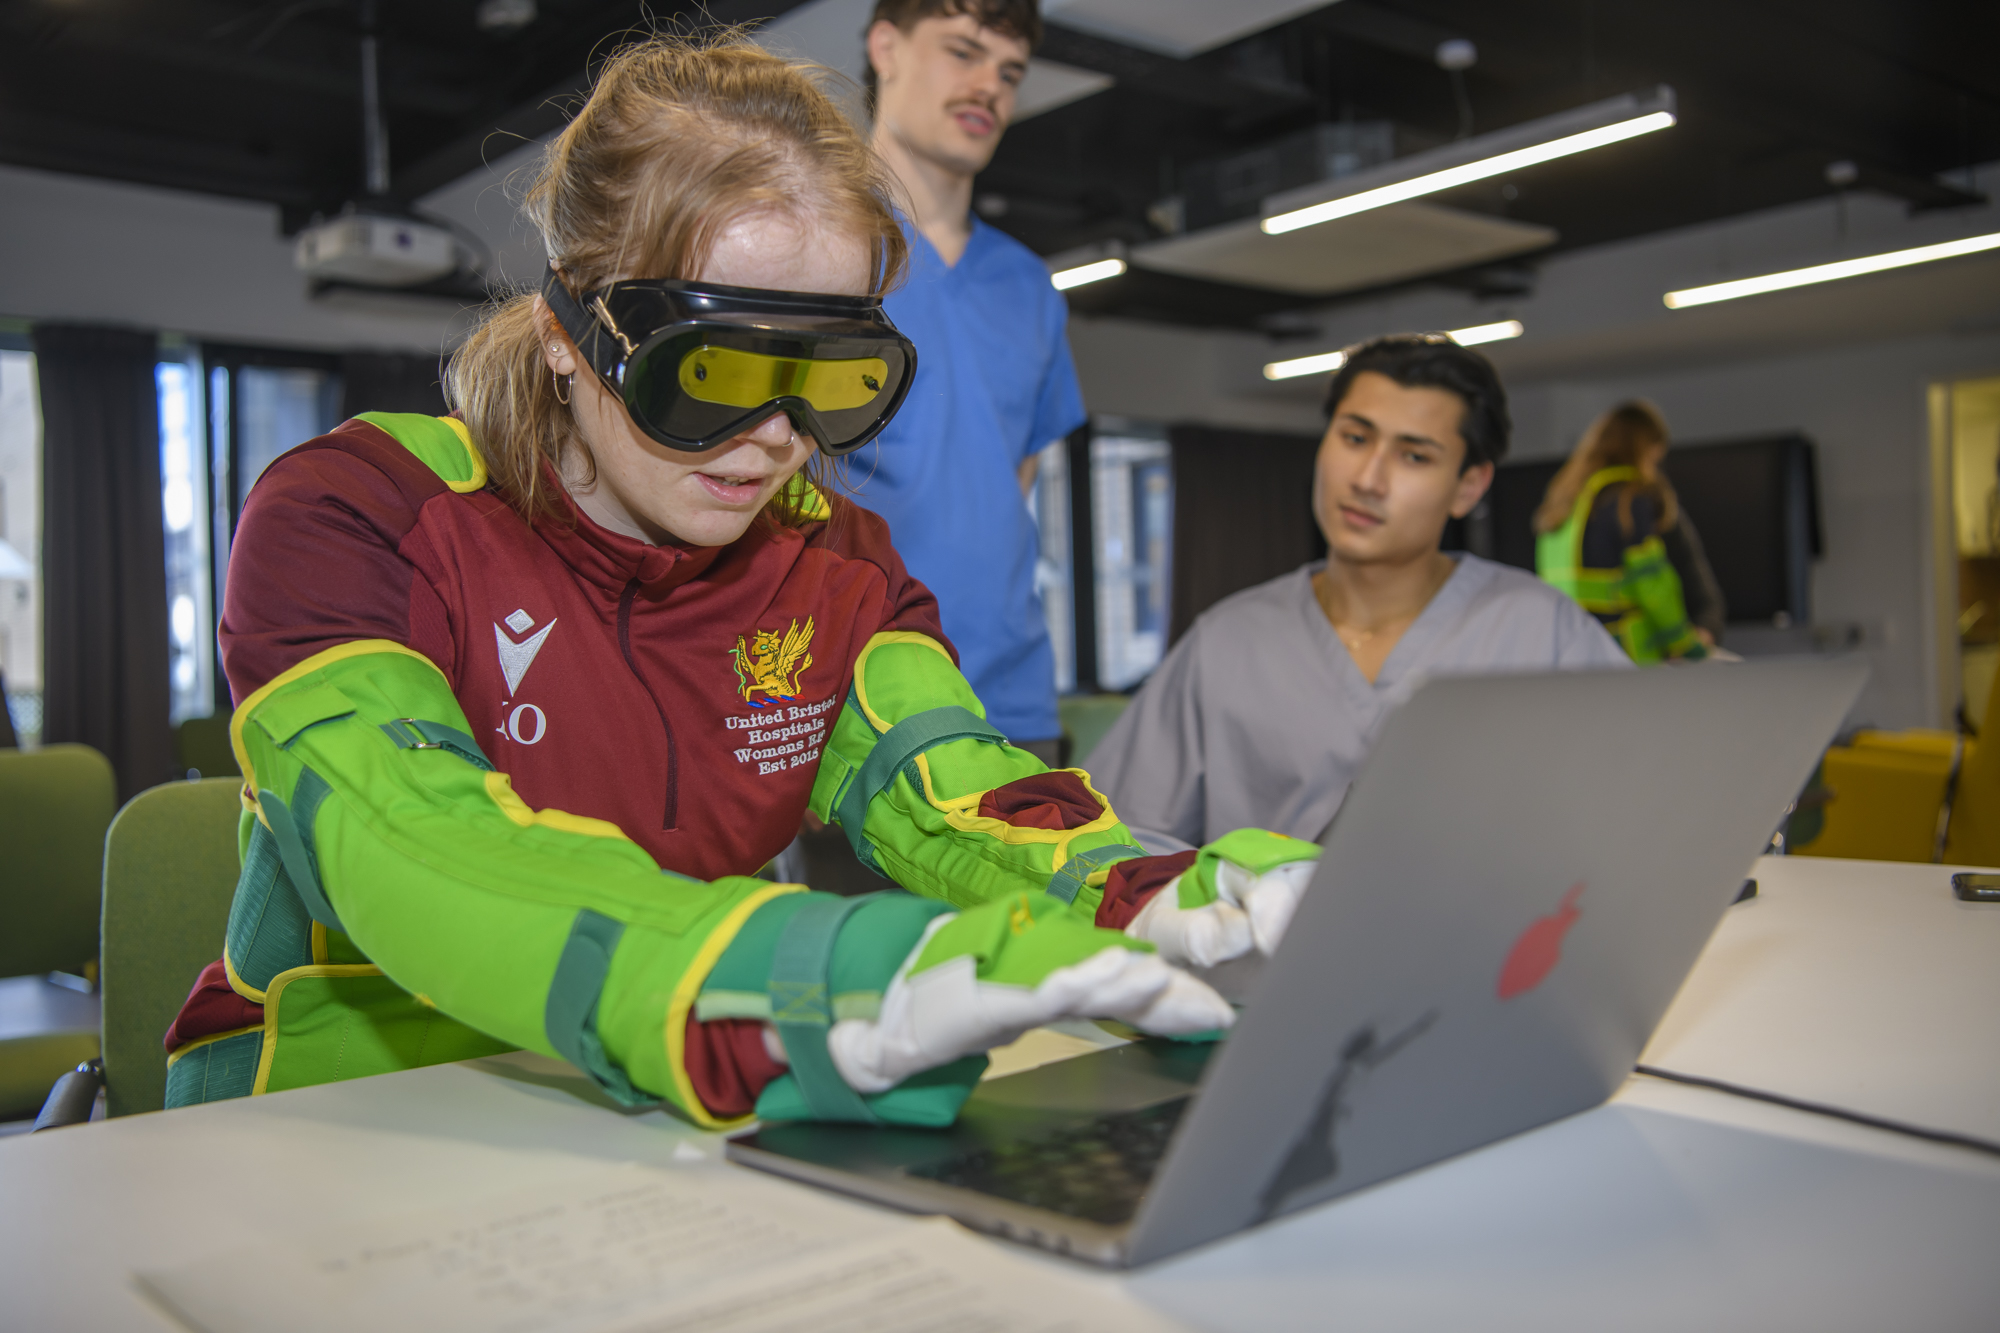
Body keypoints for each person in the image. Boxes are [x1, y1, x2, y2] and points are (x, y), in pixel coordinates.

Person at [159, 35, 1317, 1130]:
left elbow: (961, 794)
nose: (777, 440)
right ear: (571, 329)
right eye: (711, 371)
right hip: (339, 1106)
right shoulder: (357, 514)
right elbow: (408, 842)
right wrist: (787, 975)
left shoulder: (833, 561)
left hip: (654, 1096)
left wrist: (1162, 892)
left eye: (832, 379)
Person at [1088, 334, 1631, 854]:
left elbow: (1649, 806)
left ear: (1468, 486)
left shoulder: (1540, 629)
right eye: (1355, 438)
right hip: (1270, 948)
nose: (1368, 479)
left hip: (1490, 945)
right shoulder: (1227, 640)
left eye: (1414, 456)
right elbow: (1114, 837)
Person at [853, 0, 1079, 765]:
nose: (990, 86)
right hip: (853, 695)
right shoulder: (818, 249)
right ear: (885, 46)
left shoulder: (1029, 287)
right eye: (962, 52)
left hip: (1011, 699)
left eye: (1009, 71)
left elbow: (1014, 480)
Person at [1533, 400, 1724, 664]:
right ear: (1646, 448)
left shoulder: (1563, 502)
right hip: (1627, 654)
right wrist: (1684, 643)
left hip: (1570, 655)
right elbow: (1652, 584)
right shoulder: (1630, 498)